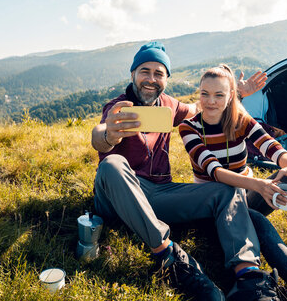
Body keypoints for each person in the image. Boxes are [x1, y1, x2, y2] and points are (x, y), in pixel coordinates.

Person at [92, 41, 277, 301]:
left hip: (159, 194)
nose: (151, 79)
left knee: (226, 190)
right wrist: (109, 134)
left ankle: (248, 275)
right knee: (111, 164)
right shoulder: (119, 107)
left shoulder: (168, 106)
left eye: (159, 73)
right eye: (145, 71)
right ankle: (169, 256)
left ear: (166, 79)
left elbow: (203, 107)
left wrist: (235, 93)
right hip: (117, 197)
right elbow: (98, 136)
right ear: (132, 73)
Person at [178, 64, 287, 301]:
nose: (211, 101)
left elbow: (274, 148)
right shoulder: (189, 128)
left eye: (219, 95)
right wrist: (260, 185)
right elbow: (215, 171)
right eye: (205, 94)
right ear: (198, 93)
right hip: (214, 209)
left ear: (231, 95)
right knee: (259, 222)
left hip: (246, 196)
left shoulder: (241, 120)